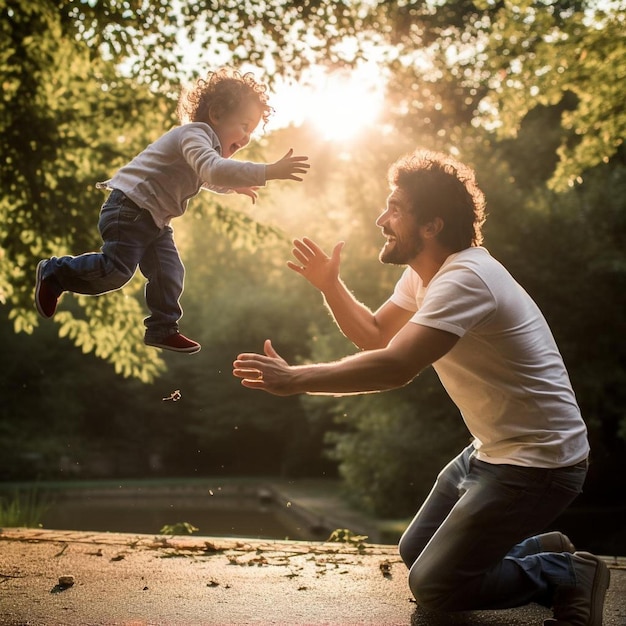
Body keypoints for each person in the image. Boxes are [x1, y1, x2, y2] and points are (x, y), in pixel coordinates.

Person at [232, 149, 610, 625]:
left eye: (394, 209)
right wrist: (331, 286)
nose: (380, 219)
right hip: (491, 453)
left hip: (540, 464)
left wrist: (296, 380)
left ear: (431, 225)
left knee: (434, 584)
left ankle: (566, 571)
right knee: (417, 552)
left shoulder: (467, 279)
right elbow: (374, 334)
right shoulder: (424, 275)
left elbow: (395, 366)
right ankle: (537, 547)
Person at [35, 67, 309, 354]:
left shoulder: (202, 146)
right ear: (216, 115)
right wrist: (268, 171)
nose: (247, 137)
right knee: (115, 271)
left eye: (251, 130)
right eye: (244, 125)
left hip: (153, 220)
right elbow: (212, 171)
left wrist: (232, 187)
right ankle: (55, 273)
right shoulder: (195, 134)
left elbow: (205, 177)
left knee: (170, 272)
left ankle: (162, 329)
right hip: (129, 208)